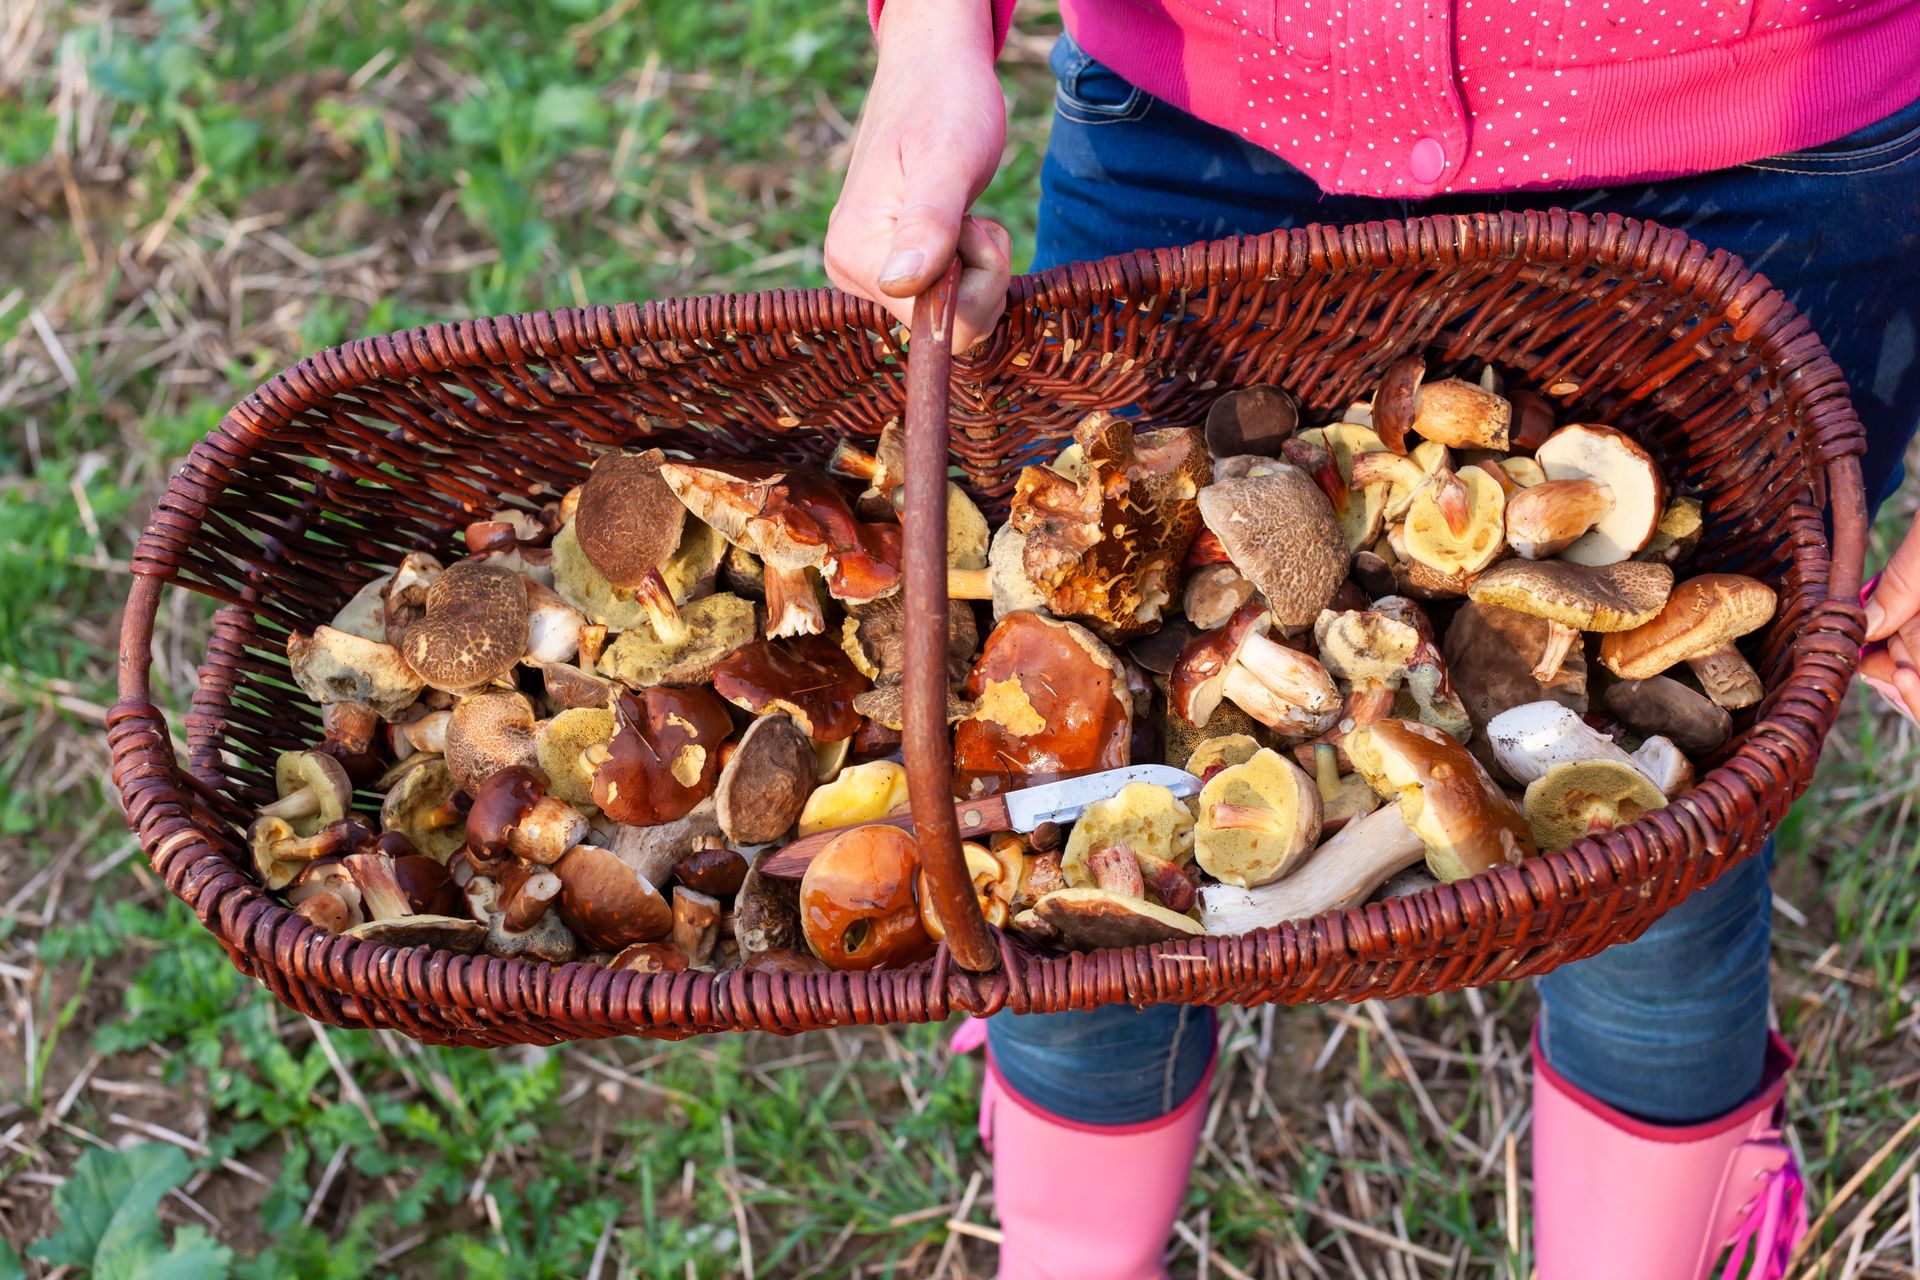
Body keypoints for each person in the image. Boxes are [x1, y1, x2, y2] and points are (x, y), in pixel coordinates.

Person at [825, 3, 1920, 1277]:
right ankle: (1068, 1247)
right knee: (1072, 812)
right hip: (1199, 116)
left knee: (1669, 837)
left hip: (1754, 137)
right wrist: (930, 41)